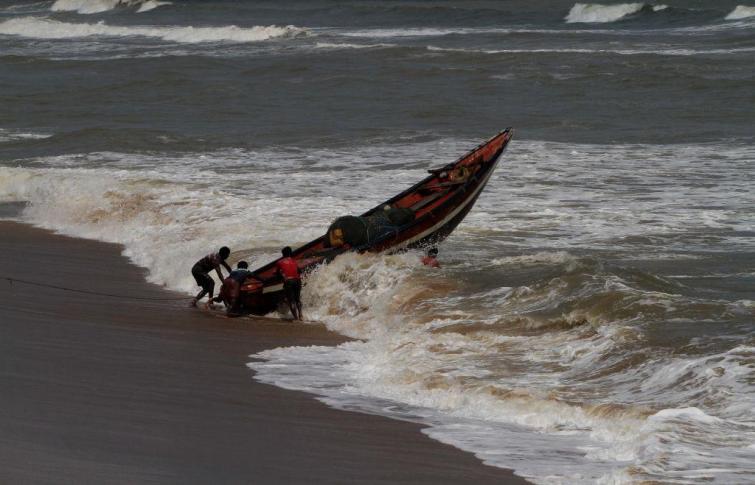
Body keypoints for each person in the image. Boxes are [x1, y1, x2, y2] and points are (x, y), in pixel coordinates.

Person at [276, 246, 303, 321]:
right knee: (298, 299)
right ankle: (301, 315)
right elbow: (299, 271)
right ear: (290, 253)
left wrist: (281, 275)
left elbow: (277, 273)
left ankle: (296, 318)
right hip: (297, 280)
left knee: (291, 301)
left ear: (283, 254)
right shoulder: (294, 261)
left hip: (288, 281)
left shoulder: (279, 262)